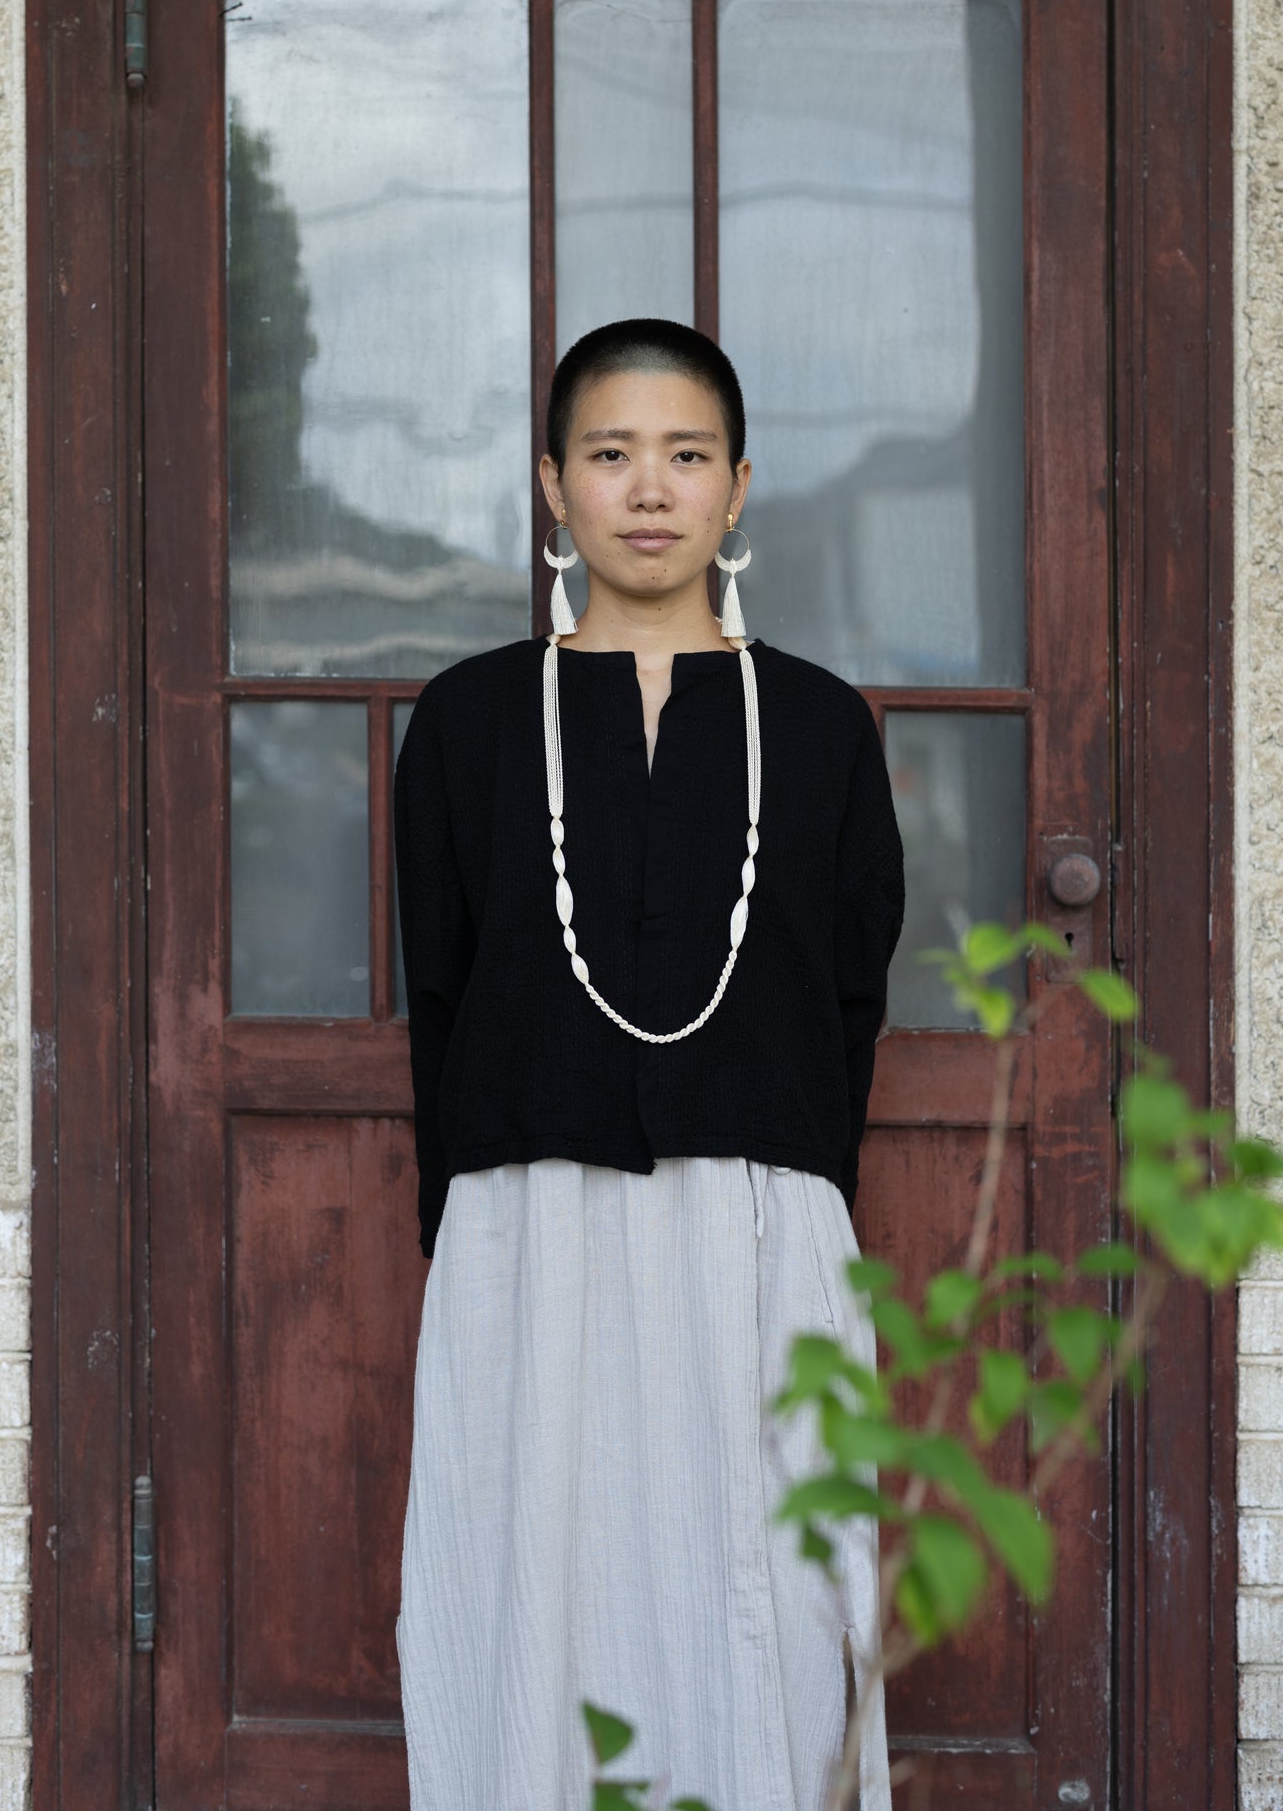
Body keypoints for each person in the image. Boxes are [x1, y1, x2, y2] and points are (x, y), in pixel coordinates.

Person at [393, 318, 905, 1811]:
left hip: (758, 1226)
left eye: (685, 456)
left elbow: (848, 992)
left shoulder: (816, 726)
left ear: (739, 486)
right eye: (609, 455)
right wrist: (479, 1219)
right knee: (530, 1583)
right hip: (526, 1224)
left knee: (775, 1593)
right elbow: (442, 987)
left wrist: (784, 1200)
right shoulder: (472, 720)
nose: (648, 489)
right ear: (552, 486)